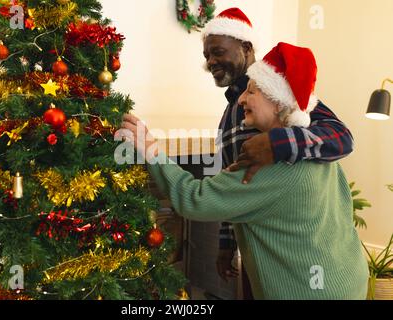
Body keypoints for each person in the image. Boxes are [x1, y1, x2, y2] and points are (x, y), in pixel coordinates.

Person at [120, 43, 368, 300]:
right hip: (348, 279)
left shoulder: (266, 167)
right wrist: (227, 243)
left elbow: (194, 199)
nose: (241, 100)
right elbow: (234, 197)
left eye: (251, 91)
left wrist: (150, 148)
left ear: (277, 101)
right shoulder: (317, 152)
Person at [201, 8, 355, 296]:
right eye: (207, 55)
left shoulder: (281, 89)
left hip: (297, 263)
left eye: (218, 51)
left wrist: (278, 143)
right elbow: (228, 181)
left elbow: (342, 136)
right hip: (255, 254)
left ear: (245, 48)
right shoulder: (227, 116)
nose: (211, 61)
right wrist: (226, 244)